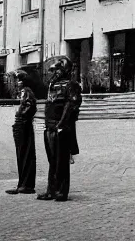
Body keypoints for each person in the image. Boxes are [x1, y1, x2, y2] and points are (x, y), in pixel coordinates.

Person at [37, 56, 82, 202]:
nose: (54, 73)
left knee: (61, 160)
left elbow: (70, 107)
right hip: (50, 126)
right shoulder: (53, 85)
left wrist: (61, 125)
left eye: (57, 70)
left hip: (61, 127)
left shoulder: (71, 85)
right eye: (53, 70)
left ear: (64, 70)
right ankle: (51, 190)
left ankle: (61, 191)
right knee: (52, 161)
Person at [6, 70, 37, 195]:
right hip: (21, 124)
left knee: (25, 153)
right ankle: (22, 183)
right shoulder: (23, 92)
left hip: (23, 125)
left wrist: (21, 116)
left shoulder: (27, 92)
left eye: (19, 80)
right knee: (22, 153)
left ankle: (26, 184)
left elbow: (30, 106)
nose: (17, 83)